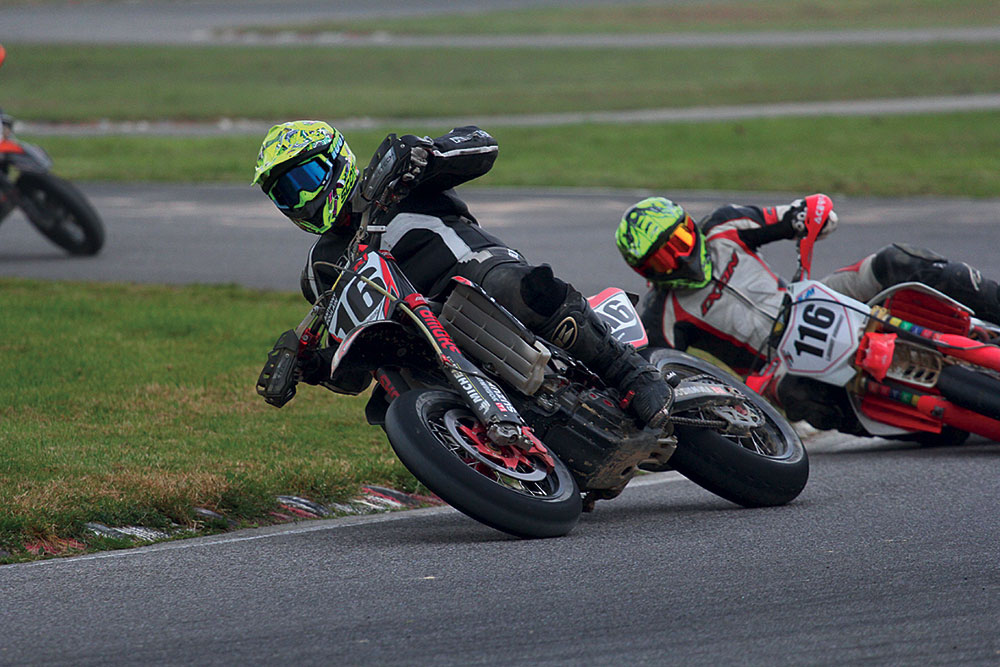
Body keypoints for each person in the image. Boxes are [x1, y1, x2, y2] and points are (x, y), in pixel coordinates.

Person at [252, 120, 675, 428]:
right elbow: (356, 368)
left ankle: (631, 372)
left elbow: (481, 146)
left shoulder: (391, 179)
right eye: (286, 193)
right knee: (389, 401)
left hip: (477, 274)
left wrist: (429, 152)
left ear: (336, 160)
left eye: (306, 179)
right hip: (420, 337)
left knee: (516, 289)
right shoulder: (318, 271)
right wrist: (312, 367)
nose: (301, 199)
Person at [615, 194, 1000, 432]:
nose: (680, 259)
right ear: (645, 271)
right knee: (798, 398)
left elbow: (797, 213)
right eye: (662, 260)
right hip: (776, 363)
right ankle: (901, 425)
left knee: (896, 261)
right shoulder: (660, 313)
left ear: (690, 227)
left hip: (810, 297)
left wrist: (812, 215)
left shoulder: (724, 227)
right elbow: (664, 377)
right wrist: (749, 391)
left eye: (679, 242)